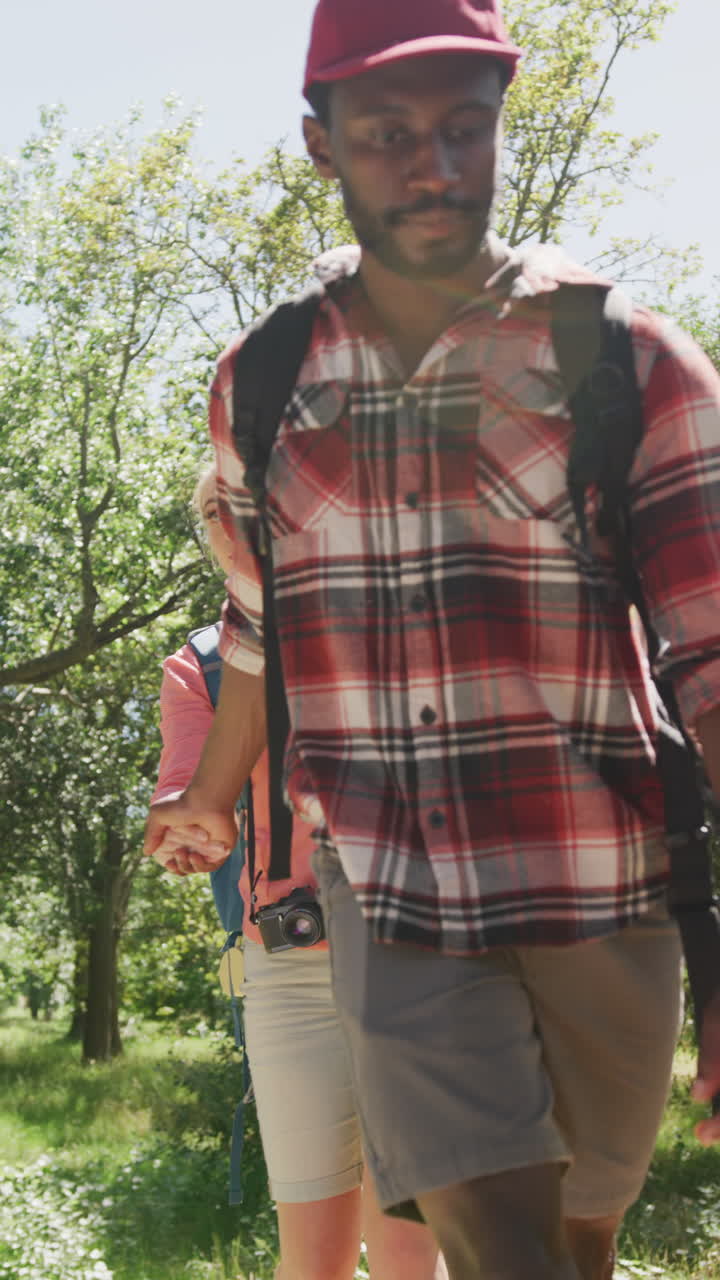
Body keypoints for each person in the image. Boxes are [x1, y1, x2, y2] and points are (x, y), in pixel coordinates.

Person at [144, 1, 720, 1276]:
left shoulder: (625, 359)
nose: (433, 166)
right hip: (389, 890)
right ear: (321, 143)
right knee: (502, 1244)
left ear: (500, 125)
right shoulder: (267, 378)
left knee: (574, 1243)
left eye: (465, 129)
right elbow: (259, 626)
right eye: (389, 131)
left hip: (603, 885)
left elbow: (713, 653)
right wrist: (212, 789)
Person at [147, 464, 447, 1280]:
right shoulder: (200, 667)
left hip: (413, 959)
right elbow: (185, 786)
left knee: (410, 1251)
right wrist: (188, 835)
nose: (230, 522)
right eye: (214, 511)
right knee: (309, 1259)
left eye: (243, 505)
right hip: (288, 971)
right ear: (211, 537)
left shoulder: (388, 614)